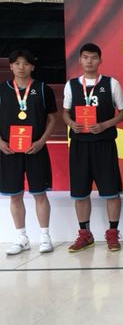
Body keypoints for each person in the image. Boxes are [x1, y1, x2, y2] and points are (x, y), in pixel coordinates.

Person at [63, 43, 123, 252]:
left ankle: (112, 233)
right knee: (80, 192)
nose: (89, 61)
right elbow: (65, 112)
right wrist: (71, 123)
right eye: (85, 57)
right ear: (80, 60)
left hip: (104, 145)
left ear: (100, 60)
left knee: (111, 192)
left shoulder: (111, 83)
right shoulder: (71, 85)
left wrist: (105, 125)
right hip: (79, 146)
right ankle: (85, 234)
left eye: (93, 57)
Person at [2, 50, 58, 255]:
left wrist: (42, 141)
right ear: (11, 66)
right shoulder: (2, 89)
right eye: (17, 63)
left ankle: (45, 237)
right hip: (9, 151)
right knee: (14, 196)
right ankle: (21, 238)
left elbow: (52, 119)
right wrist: (0, 143)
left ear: (32, 66)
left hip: (35, 149)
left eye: (26, 63)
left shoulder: (43, 89)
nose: (21, 67)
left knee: (39, 194)